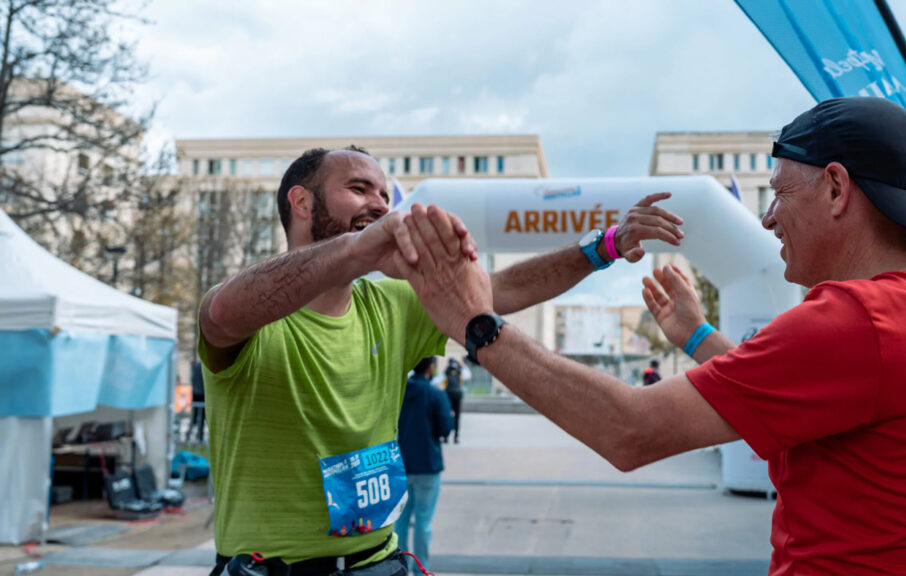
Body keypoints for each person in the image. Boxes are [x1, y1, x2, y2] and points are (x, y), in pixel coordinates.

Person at [392, 97, 906, 574]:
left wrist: (478, 326)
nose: (769, 218)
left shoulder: (857, 320)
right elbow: (790, 392)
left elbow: (630, 431)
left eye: (778, 193)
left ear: (836, 188)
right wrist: (696, 336)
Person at [197, 145, 685, 575]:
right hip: (269, 569)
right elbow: (220, 313)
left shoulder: (389, 304)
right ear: (301, 202)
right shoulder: (254, 306)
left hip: (379, 563)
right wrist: (357, 249)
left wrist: (605, 246)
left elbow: (503, 289)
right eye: (359, 188)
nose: (379, 204)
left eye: (384, 195)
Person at [395, 357, 453, 571]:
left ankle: (401, 568)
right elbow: (446, 428)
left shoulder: (399, 394)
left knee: (400, 522)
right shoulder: (435, 394)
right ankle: (422, 569)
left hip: (402, 465)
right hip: (428, 465)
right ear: (431, 368)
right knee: (423, 522)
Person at [442, 358, 464, 443]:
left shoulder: (446, 372)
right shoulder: (459, 373)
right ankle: (456, 437)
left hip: (448, 396)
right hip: (458, 395)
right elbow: (461, 382)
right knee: (457, 417)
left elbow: (443, 384)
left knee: (447, 415)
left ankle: (446, 437)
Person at [186, 358, 205, 443]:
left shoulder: (197, 366)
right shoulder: (203, 367)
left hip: (195, 393)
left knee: (195, 416)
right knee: (201, 417)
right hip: (202, 394)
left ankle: (189, 434)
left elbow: (193, 379)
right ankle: (199, 436)